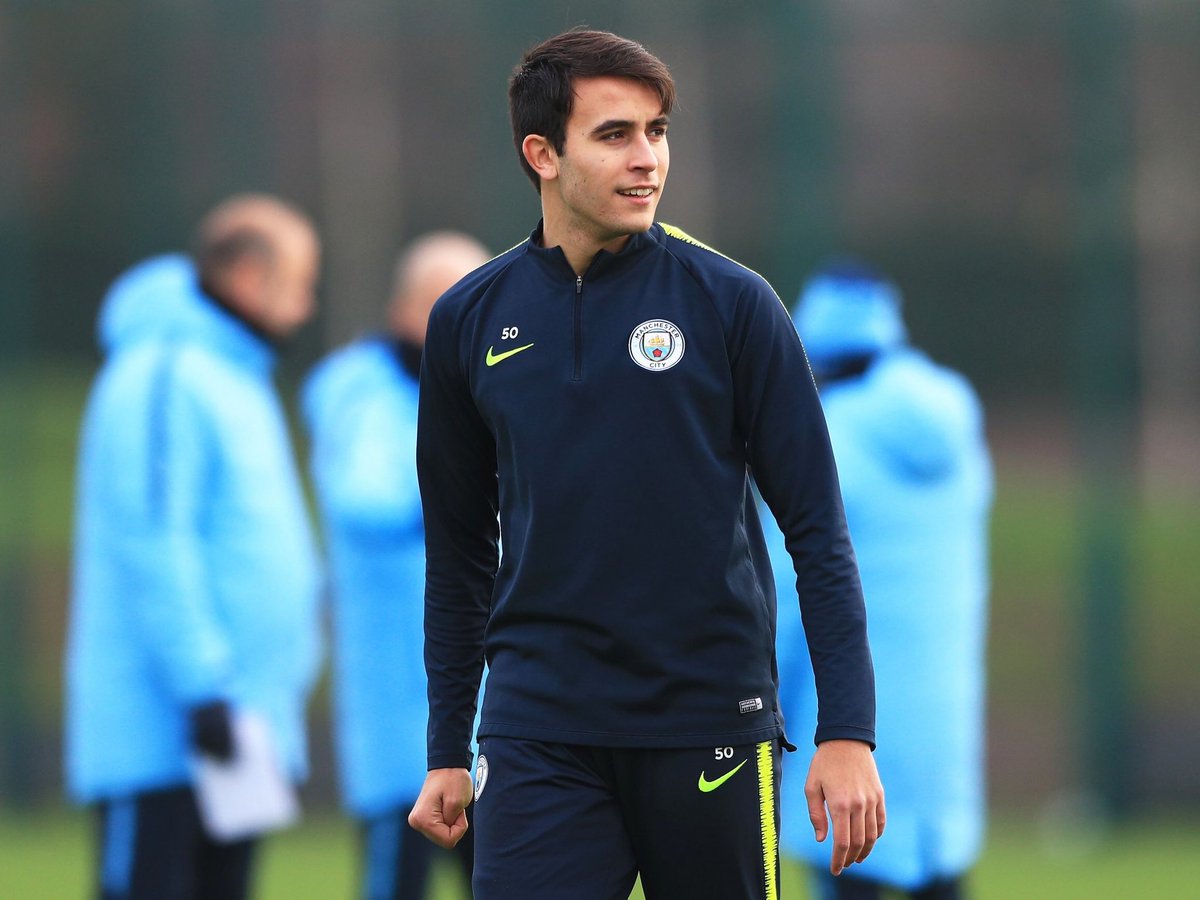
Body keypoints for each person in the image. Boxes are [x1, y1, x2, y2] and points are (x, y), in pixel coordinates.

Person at [407, 29, 885, 900]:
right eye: (615, 134)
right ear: (542, 155)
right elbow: (460, 552)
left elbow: (818, 530)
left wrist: (847, 731)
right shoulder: (468, 320)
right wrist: (447, 748)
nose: (647, 159)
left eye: (657, 132)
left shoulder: (734, 305)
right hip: (538, 729)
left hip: (709, 720)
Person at [64, 194, 324, 900]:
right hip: (171, 736)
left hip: (243, 728)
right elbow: (154, 537)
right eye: (298, 283)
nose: (304, 307)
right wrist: (203, 688)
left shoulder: (236, 377)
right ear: (248, 276)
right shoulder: (163, 372)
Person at [765, 262, 993, 900]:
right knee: (939, 873)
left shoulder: (827, 434)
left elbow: (787, 589)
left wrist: (756, 693)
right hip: (943, 718)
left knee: (848, 865)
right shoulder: (956, 424)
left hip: (844, 721)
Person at [303, 232, 491, 900]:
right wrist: (473, 488)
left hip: (487, 711)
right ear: (409, 309)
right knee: (398, 873)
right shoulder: (359, 393)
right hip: (399, 705)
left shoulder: (484, 386)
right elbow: (369, 497)